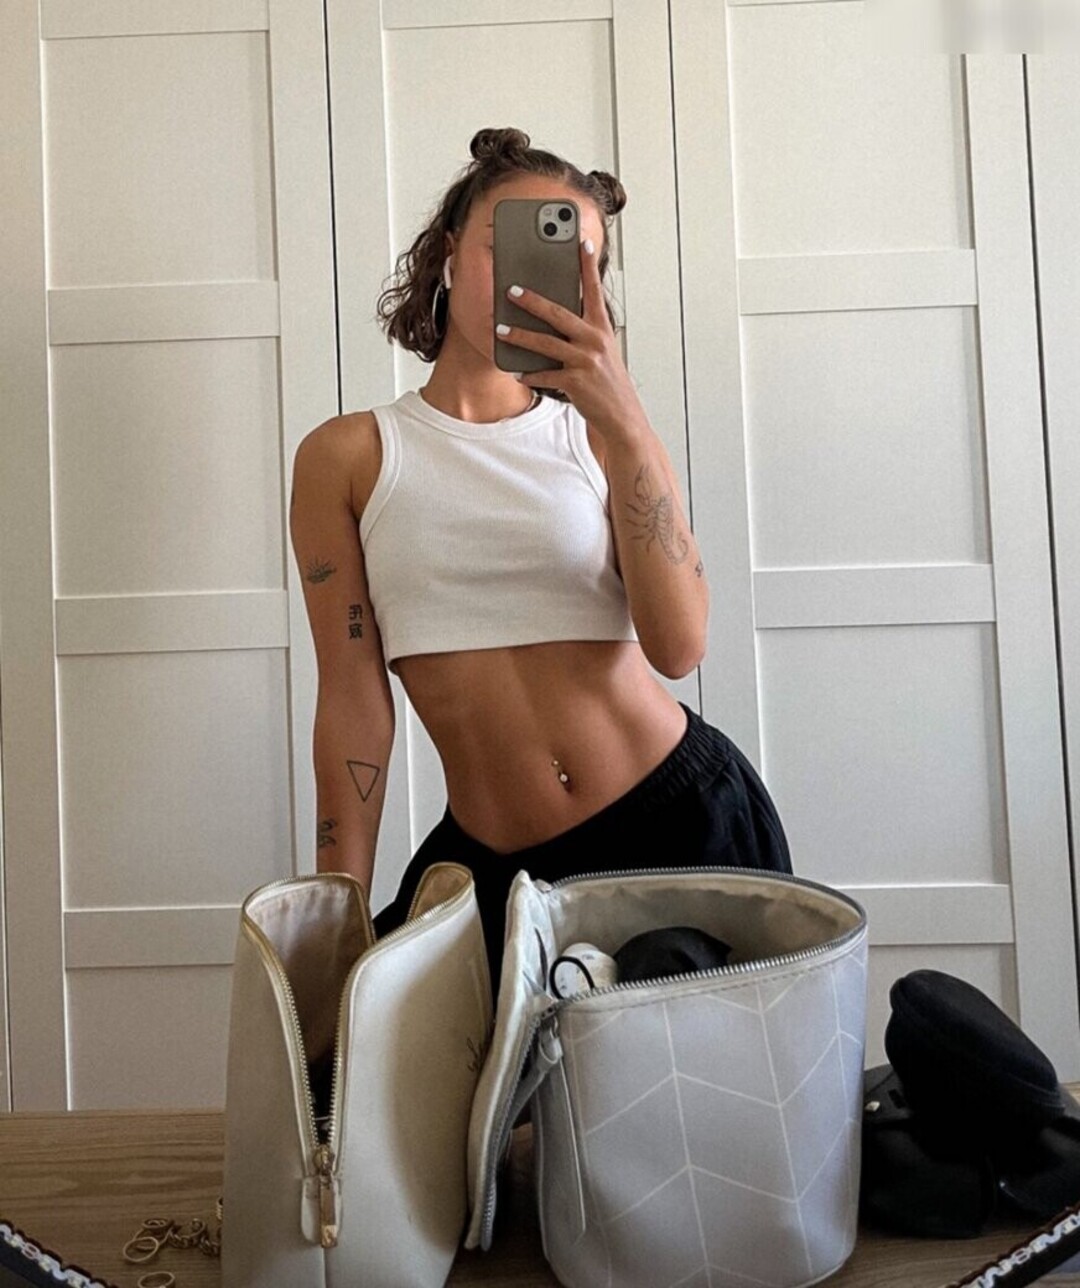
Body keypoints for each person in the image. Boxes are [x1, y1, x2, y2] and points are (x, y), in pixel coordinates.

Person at [289, 126, 793, 998]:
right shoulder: (348, 457)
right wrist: (340, 906)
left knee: (691, 1089)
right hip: (498, 875)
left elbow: (680, 647)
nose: (533, 281)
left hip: (680, 828)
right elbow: (353, 700)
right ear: (451, 252)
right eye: (510, 244)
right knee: (388, 1068)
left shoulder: (602, 439)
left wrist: (623, 415)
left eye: (576, 261)